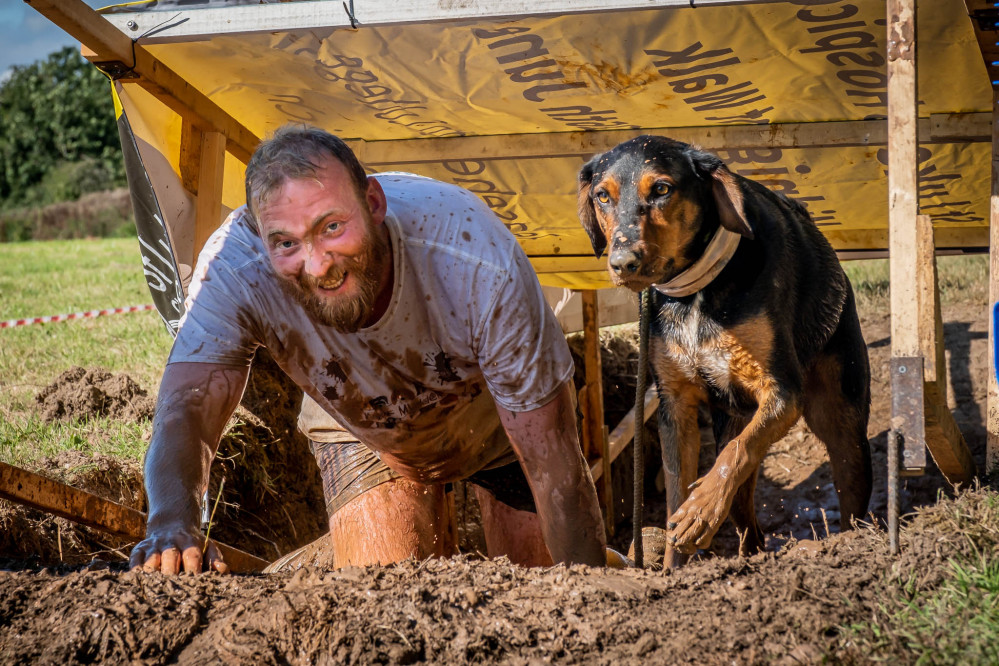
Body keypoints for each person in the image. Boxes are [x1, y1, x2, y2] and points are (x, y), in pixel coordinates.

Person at [128, 124, 607, 574]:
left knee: (542, 586)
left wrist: (591, 595)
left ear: (374, 203)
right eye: (287, 243)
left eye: (332, 227)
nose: (318, 266)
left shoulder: (474, 257)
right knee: (384, 594)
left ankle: (626, 570)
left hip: (494, 424)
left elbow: (554, 464)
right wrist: (172, 521)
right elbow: (187, 405)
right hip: (362, 426)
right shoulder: (235, 267)